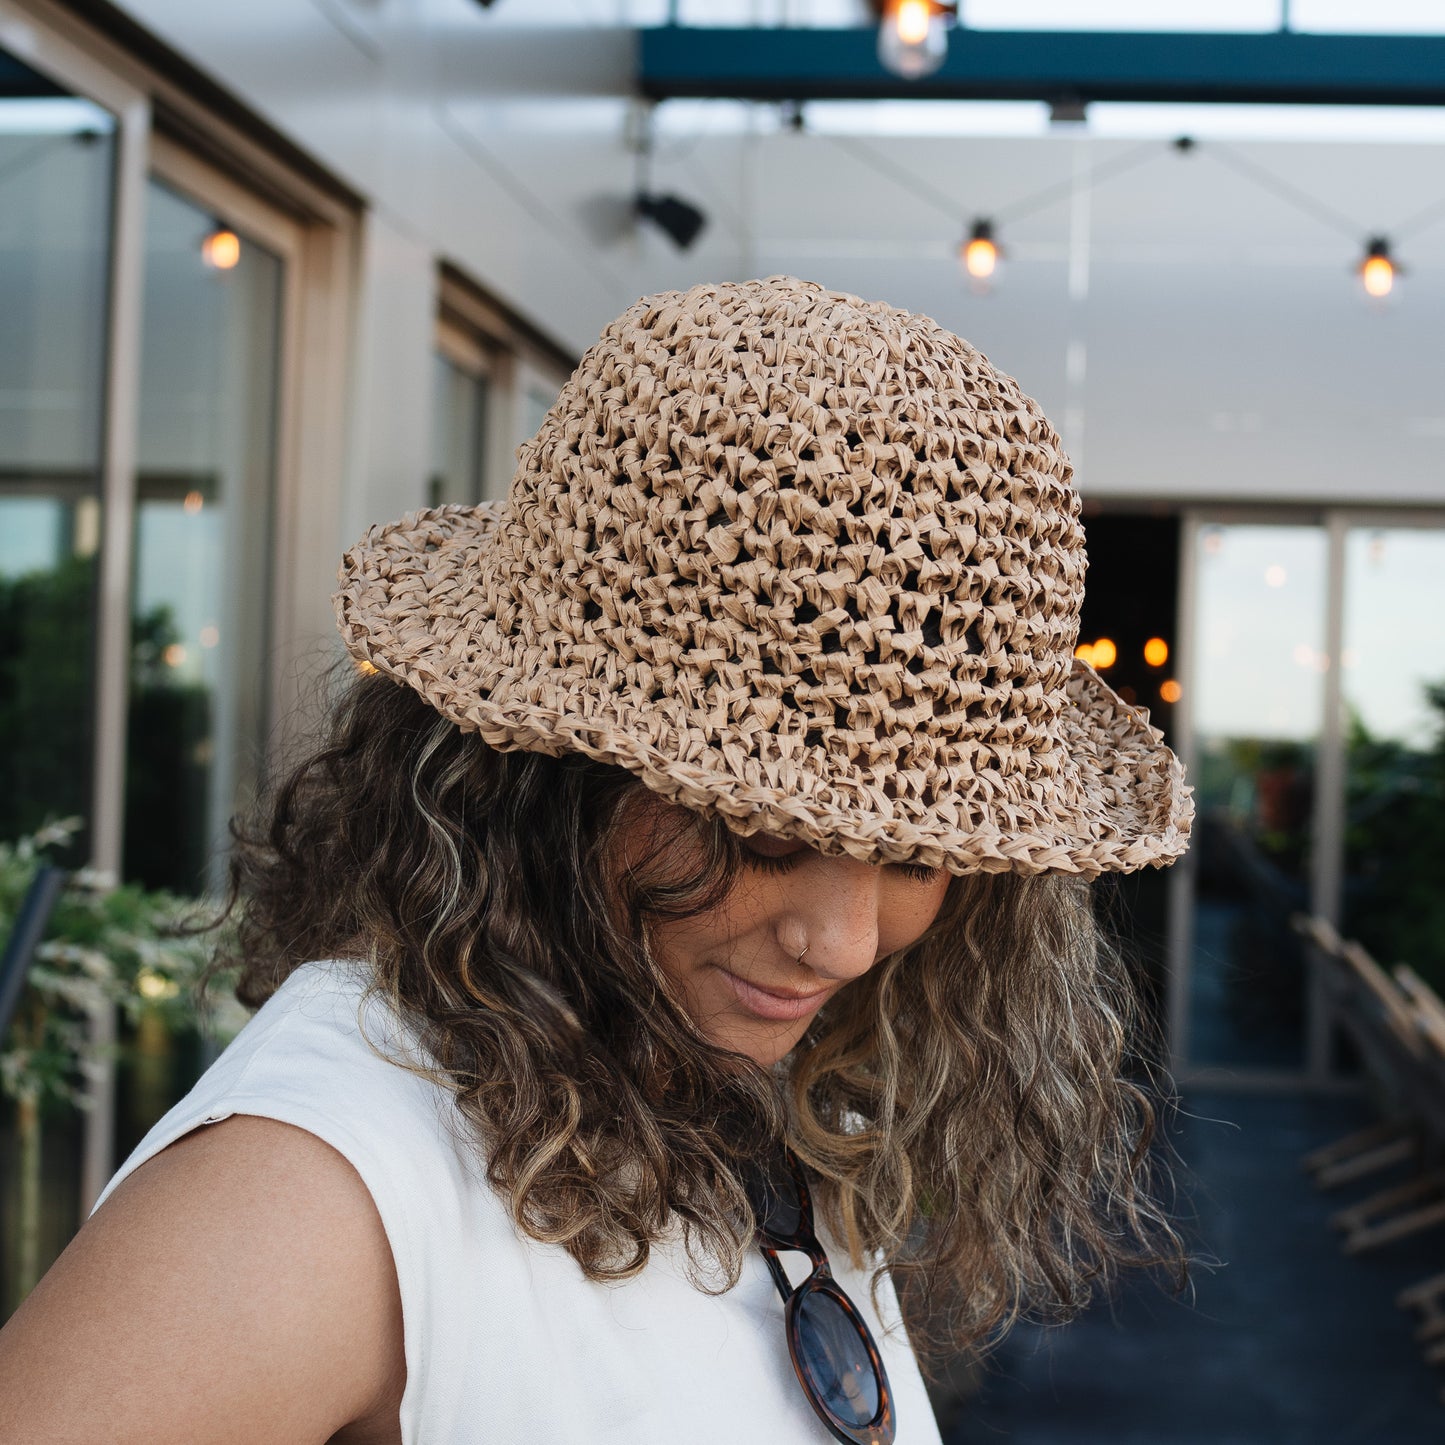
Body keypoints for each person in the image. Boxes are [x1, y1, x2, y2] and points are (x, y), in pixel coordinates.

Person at [0, 276, 1192, 1444]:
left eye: (917, 854)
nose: (839, 938)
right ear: (544, 771)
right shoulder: (321, 1184)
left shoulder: (714, 1080)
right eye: (763, 830)